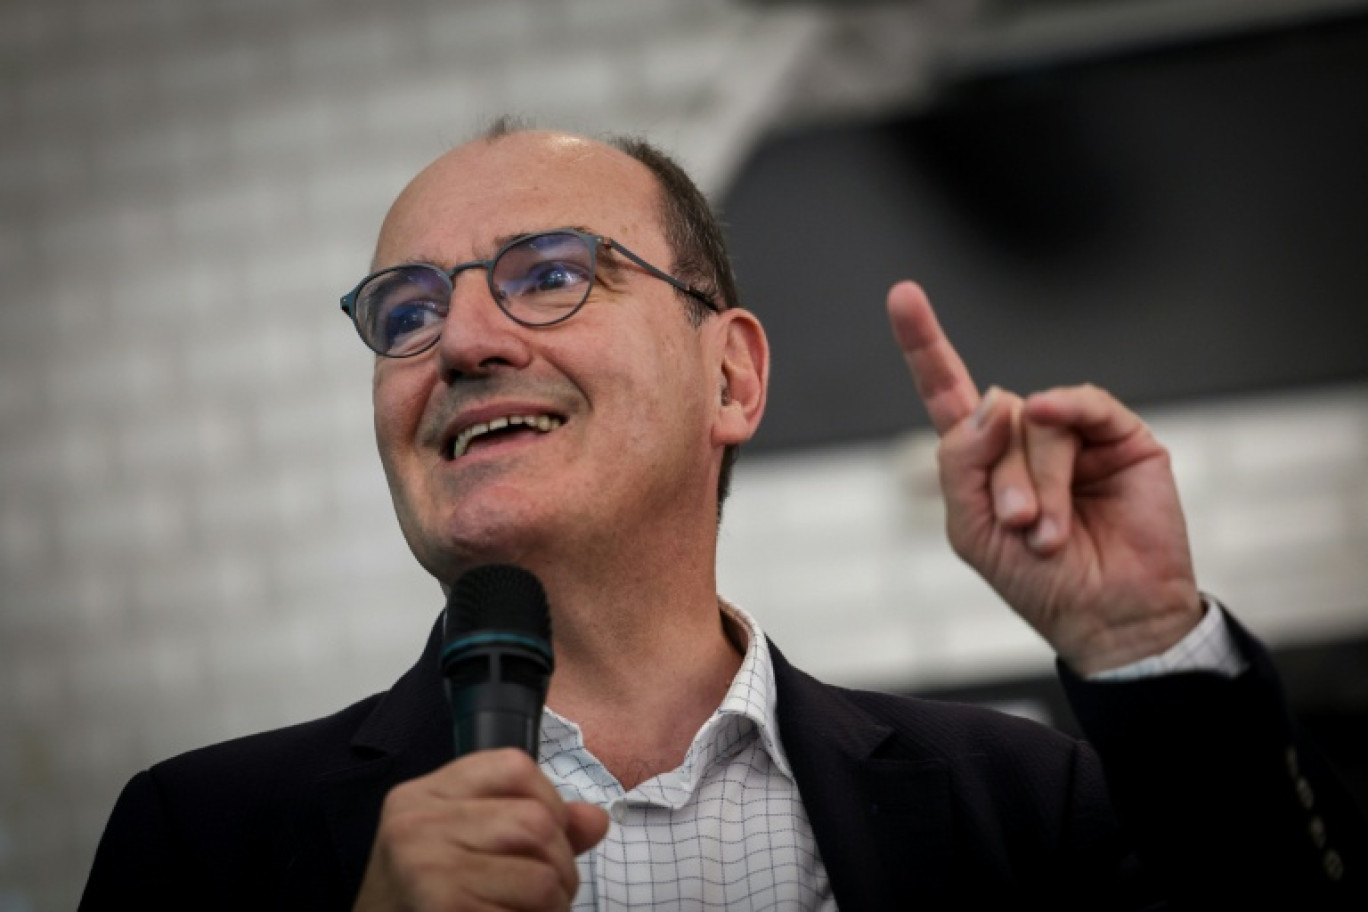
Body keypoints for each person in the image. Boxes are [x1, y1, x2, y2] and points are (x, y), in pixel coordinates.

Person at [81, 124, 1364, 910]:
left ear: (732, 378)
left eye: (548, 274)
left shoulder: (1020, 806)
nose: (460, 341)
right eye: (405, 312)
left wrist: (1142, 643)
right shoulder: (204, 843)